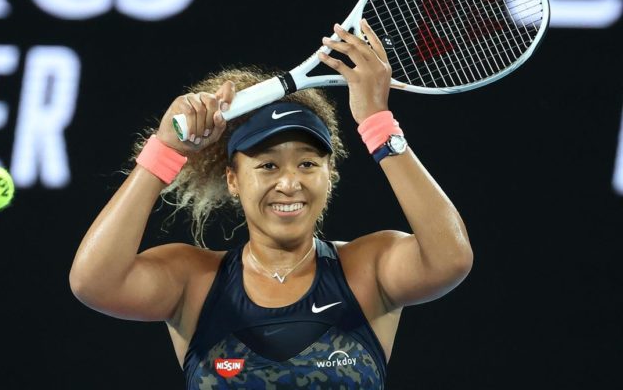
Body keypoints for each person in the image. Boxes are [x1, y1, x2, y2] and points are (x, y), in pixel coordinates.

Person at [69, 20, 473, 389]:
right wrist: (165, 151)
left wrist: (378, 123)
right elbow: (94, 282)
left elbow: (450, 258)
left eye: (308, 164)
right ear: (233, 180)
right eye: (267, 165)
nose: (289, 182)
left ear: (329, 177)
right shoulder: (195, 282)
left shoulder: (368, 269)